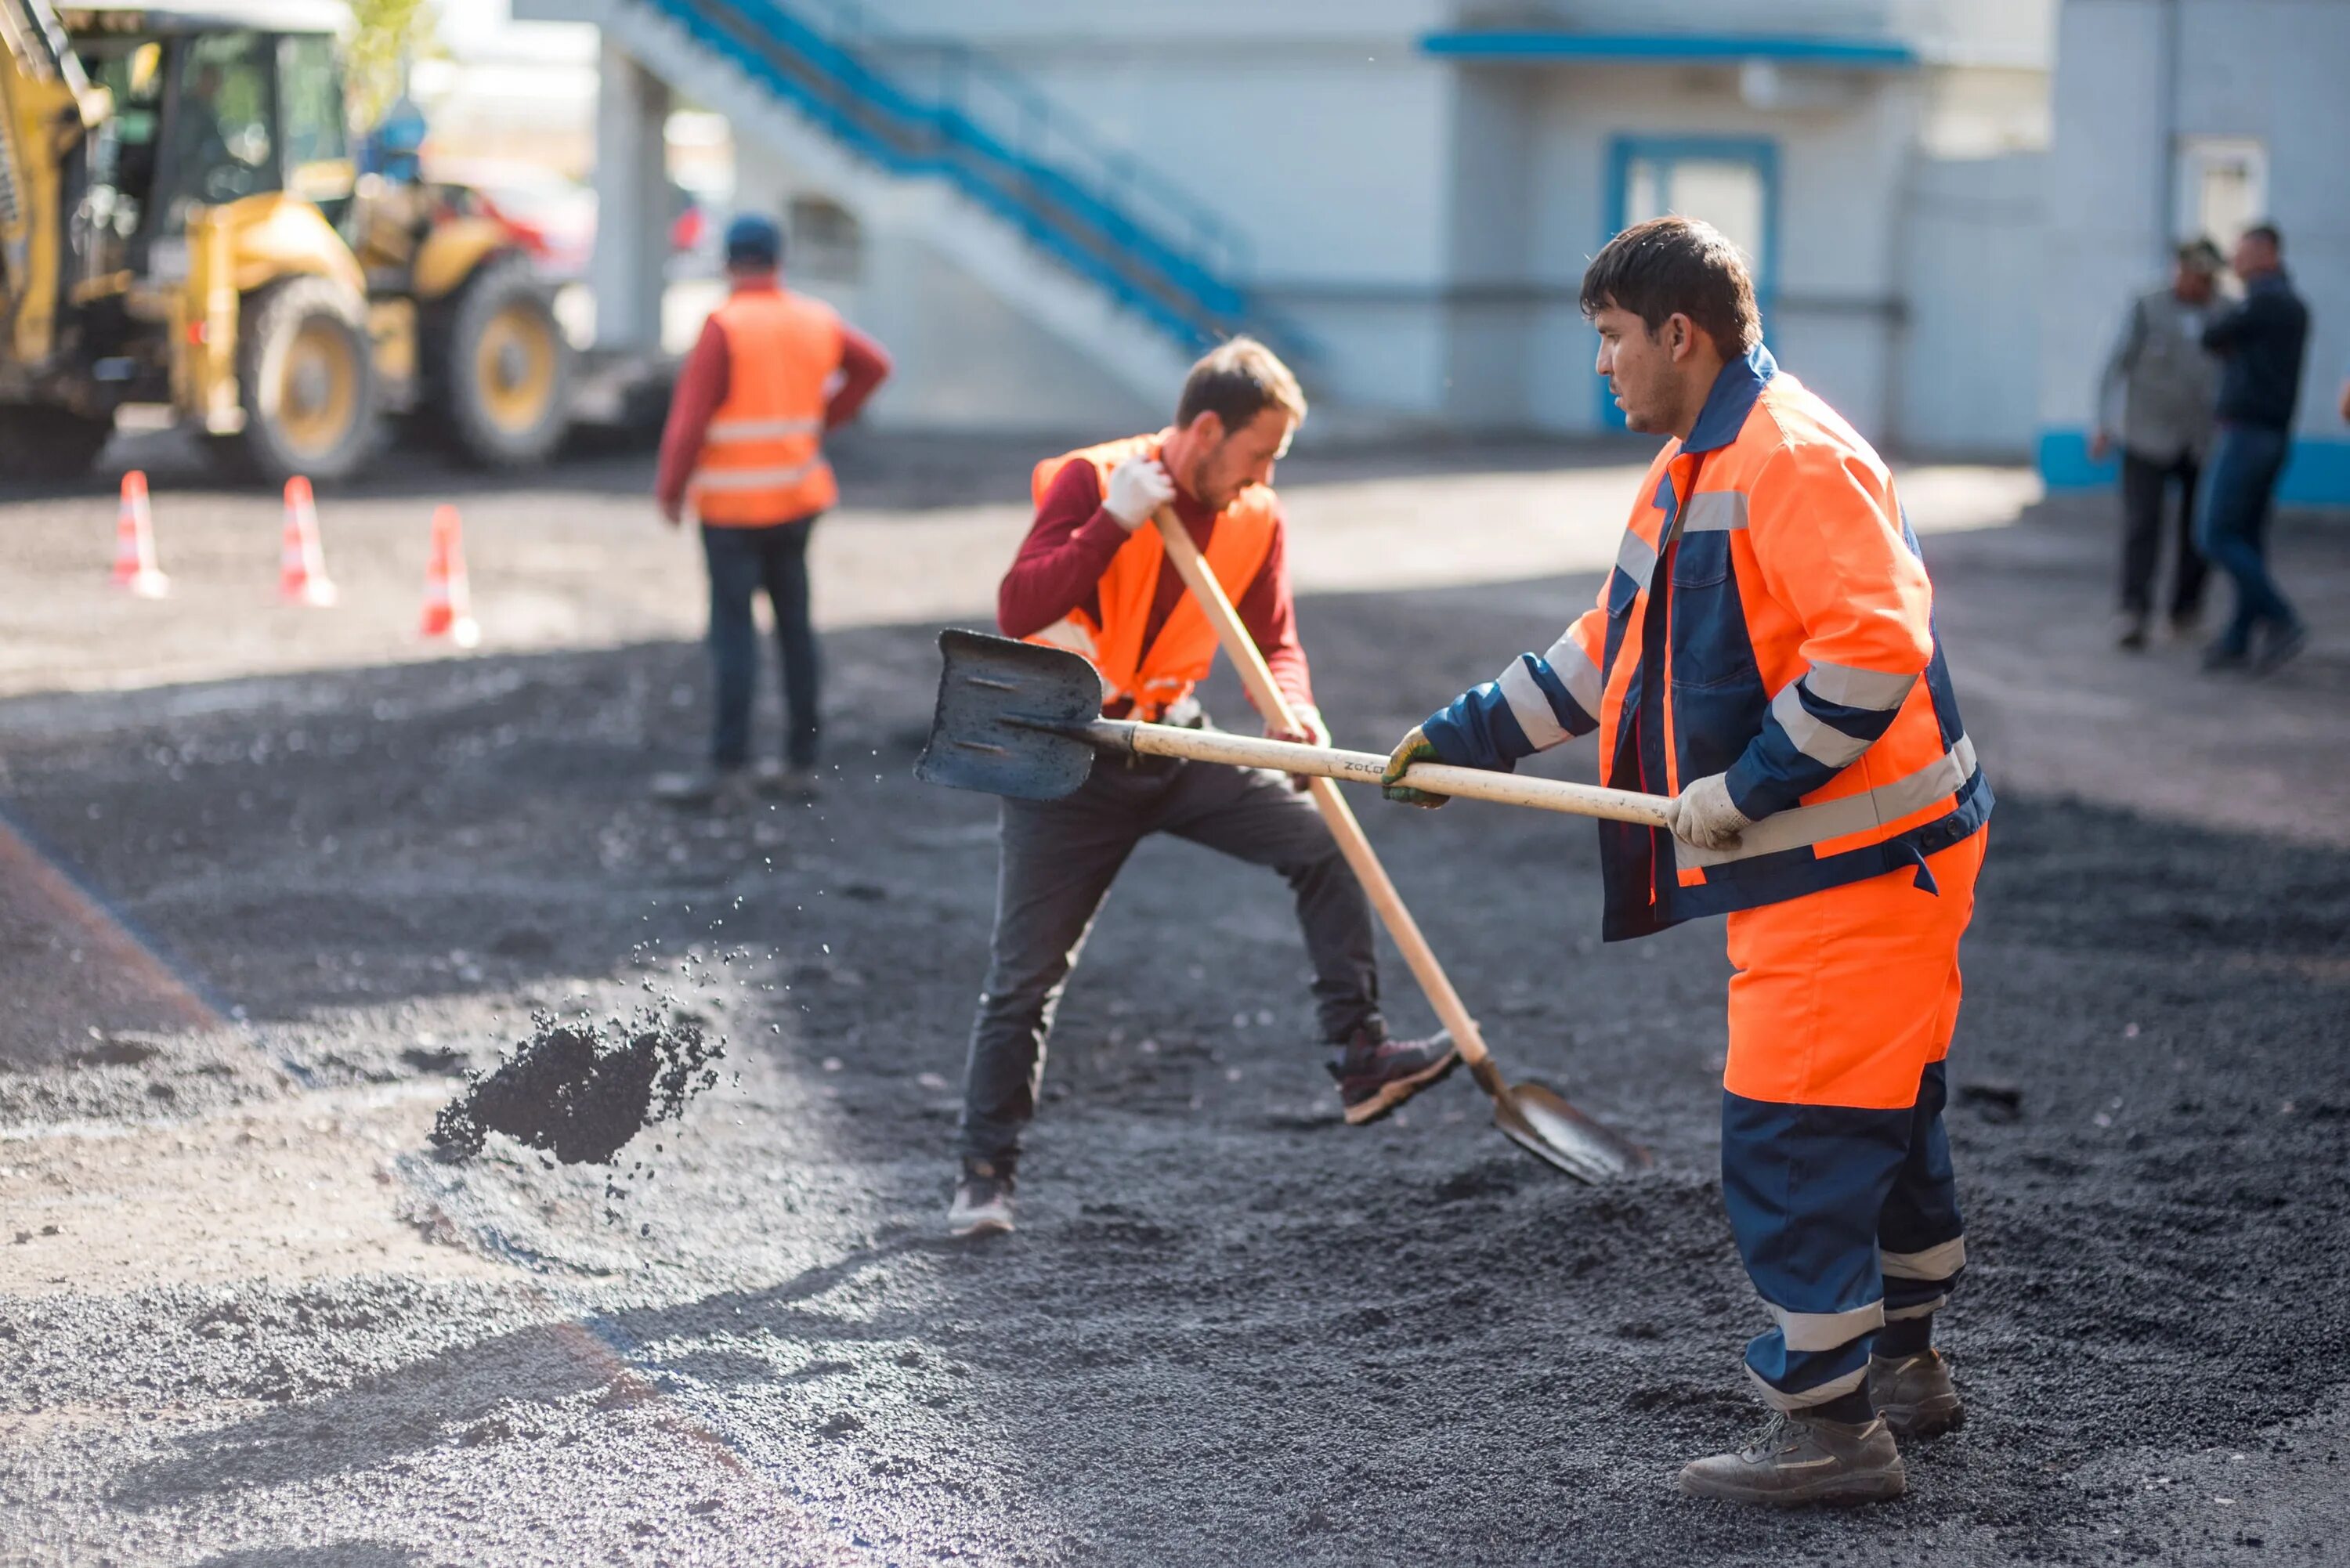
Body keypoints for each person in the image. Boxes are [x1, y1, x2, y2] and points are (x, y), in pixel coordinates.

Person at [1383, 218, 1990, 1506]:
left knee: (1795, 1132)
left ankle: (1833, 1433)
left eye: (1611, 338)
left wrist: (1748, 787)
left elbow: (1872, 652)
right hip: (1859, 861)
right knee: (1877, 1113)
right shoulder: (1694, 464)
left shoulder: (1790, 459)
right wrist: (1459, 734)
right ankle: (1906, 1374)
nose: (1601, 364)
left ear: (1681, 334)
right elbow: (1611, 652)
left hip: (1855, 865)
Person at [949, 338, 1457, 1238]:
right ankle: (985, 1175)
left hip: (1174, 741)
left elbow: (1277, 640)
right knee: (1026, 977)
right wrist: (1110, 522)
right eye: (1259, 452)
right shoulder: (1093, 480)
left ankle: (1359, 1057)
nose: (1265, 474)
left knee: (1321, 845)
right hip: (1071, 753)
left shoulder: (1256, 513)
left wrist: (1293, 711)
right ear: (1209, 428)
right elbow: (1018, 609)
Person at [653, 214, 893, 804]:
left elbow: (688, 422)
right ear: (779, 260)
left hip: (733, 510)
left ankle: (728, 768)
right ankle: (800, 762)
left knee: (733, 635)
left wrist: (670, 490)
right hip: (796, 501)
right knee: (795, 630)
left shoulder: (725, 326)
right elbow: (874, 367)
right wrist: (822, 423)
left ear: (731, 263)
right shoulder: (815, 318)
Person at [2090, 240, 2223, 649]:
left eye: (2202, 277)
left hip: (2202, 439)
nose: (2192, 282)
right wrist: (2103, 424)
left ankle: (2185, 611)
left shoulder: (2226, 312)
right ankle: (2134, 612)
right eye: (2186, 273)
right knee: (2142, 525)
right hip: (2146, 436)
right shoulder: (2148, 307)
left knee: (2198, 530)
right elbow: (2115, 367)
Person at [2196, 222, 2311, 674]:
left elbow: (2212, 336)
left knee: (2215, 534)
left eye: (2242, 254)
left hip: (2248, 436)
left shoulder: (2265, 301)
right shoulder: (2289, 304)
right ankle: (2238, 638)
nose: (2235, 262)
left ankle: (2281, 618)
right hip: (2270, 436)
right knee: (2245, 538)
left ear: (2267, 255)